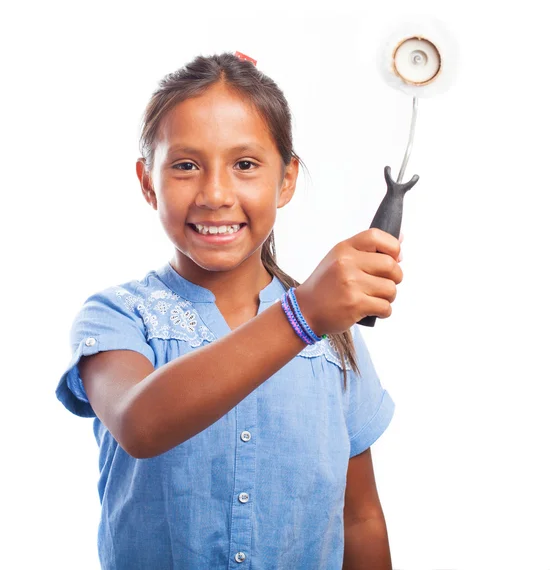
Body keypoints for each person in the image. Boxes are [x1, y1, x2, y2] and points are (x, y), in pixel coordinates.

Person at [55, 52, 403, 570]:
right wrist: (302, 316)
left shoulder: (337, 338)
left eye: (244, 165)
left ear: (286, 179)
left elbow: (360, 518)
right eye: (186, 166)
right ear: (147, 181)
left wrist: (314, 318)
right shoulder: (117, 317)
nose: (216, 194)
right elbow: (139, 424)